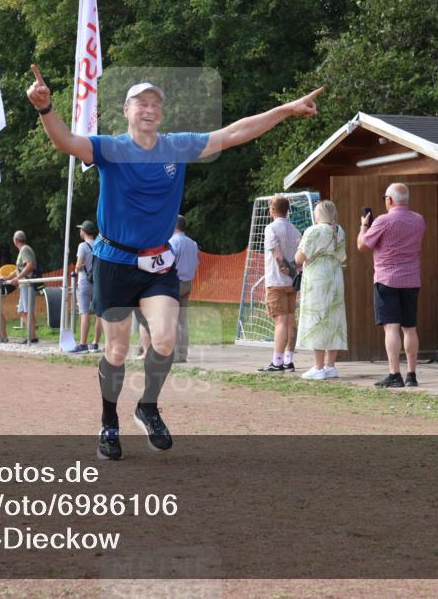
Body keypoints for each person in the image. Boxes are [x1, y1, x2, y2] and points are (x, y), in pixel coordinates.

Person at [27, 63, 322, 460]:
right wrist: (45, 109)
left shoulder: (176, 147)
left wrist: (286, 109)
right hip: (114, 261)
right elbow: (65, 141)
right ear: (127, 111)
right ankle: (109, 422)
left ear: (161, 114)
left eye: (155, 104)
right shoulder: (110, 148)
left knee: (164, 340)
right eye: (141, 103)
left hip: (157, 262)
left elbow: (233, 133)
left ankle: (147, 406)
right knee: (116, 350)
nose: (149, 109)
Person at [357, 182, 427, 388]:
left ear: (389, 200)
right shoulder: (419, 220)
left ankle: (394, 374)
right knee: (410, 328)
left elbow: (362, 245)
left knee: (391, 327)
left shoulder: (382, 221)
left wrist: (364, 226)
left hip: (387, 279)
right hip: (411, 279)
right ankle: (412, 375)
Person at [294, 200, 347, 379]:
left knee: (317, 317)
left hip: (317, 276)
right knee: (334, 318)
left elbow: (299, 258)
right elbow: (342, 256)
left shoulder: (313, 230)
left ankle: (318, 367)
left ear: (319, 214)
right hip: (335, 274)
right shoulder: (339, 230)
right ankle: (330, 366)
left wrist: (299, 246)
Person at [259, 195, 302, 373]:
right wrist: (293, 271)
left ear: (272, 210)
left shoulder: (271, 228)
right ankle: (288, 360)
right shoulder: (295, 230)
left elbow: (277, 256)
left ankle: (277, 362)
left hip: (276, 280)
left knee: (280, 322)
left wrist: (284, 267)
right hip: (292, 282)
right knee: (291, 320)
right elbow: (299, 257)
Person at [169, 215, 200, 363]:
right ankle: (183, 354)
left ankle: (174, 354)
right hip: (188, 283)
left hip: (175, 283)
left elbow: (168, 263)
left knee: (172, 319)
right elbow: (197, 262)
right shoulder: (193, 243)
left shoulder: (172, 242)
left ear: (174, 226)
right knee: (183, 320)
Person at [70, 220, 103, 354]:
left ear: (83, 231)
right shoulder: (99, 244)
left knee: (84, 312)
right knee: (99, 313)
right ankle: (95, 344)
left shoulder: (82, 246)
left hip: (84, 281)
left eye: (81, 229)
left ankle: (83, 344)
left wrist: (77, 268)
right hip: (98, 281)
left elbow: (78, 266)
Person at [6, 230, 38, 344]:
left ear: (15, 240)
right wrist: (8, 277)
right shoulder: (23, 250)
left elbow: (30, 265)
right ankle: (32, 335)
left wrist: (17, 278)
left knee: (28, 311)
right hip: (24, 284)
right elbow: (19, 268)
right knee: (22, 311)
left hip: (27, 284)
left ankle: (32, 337)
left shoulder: (24, 249)